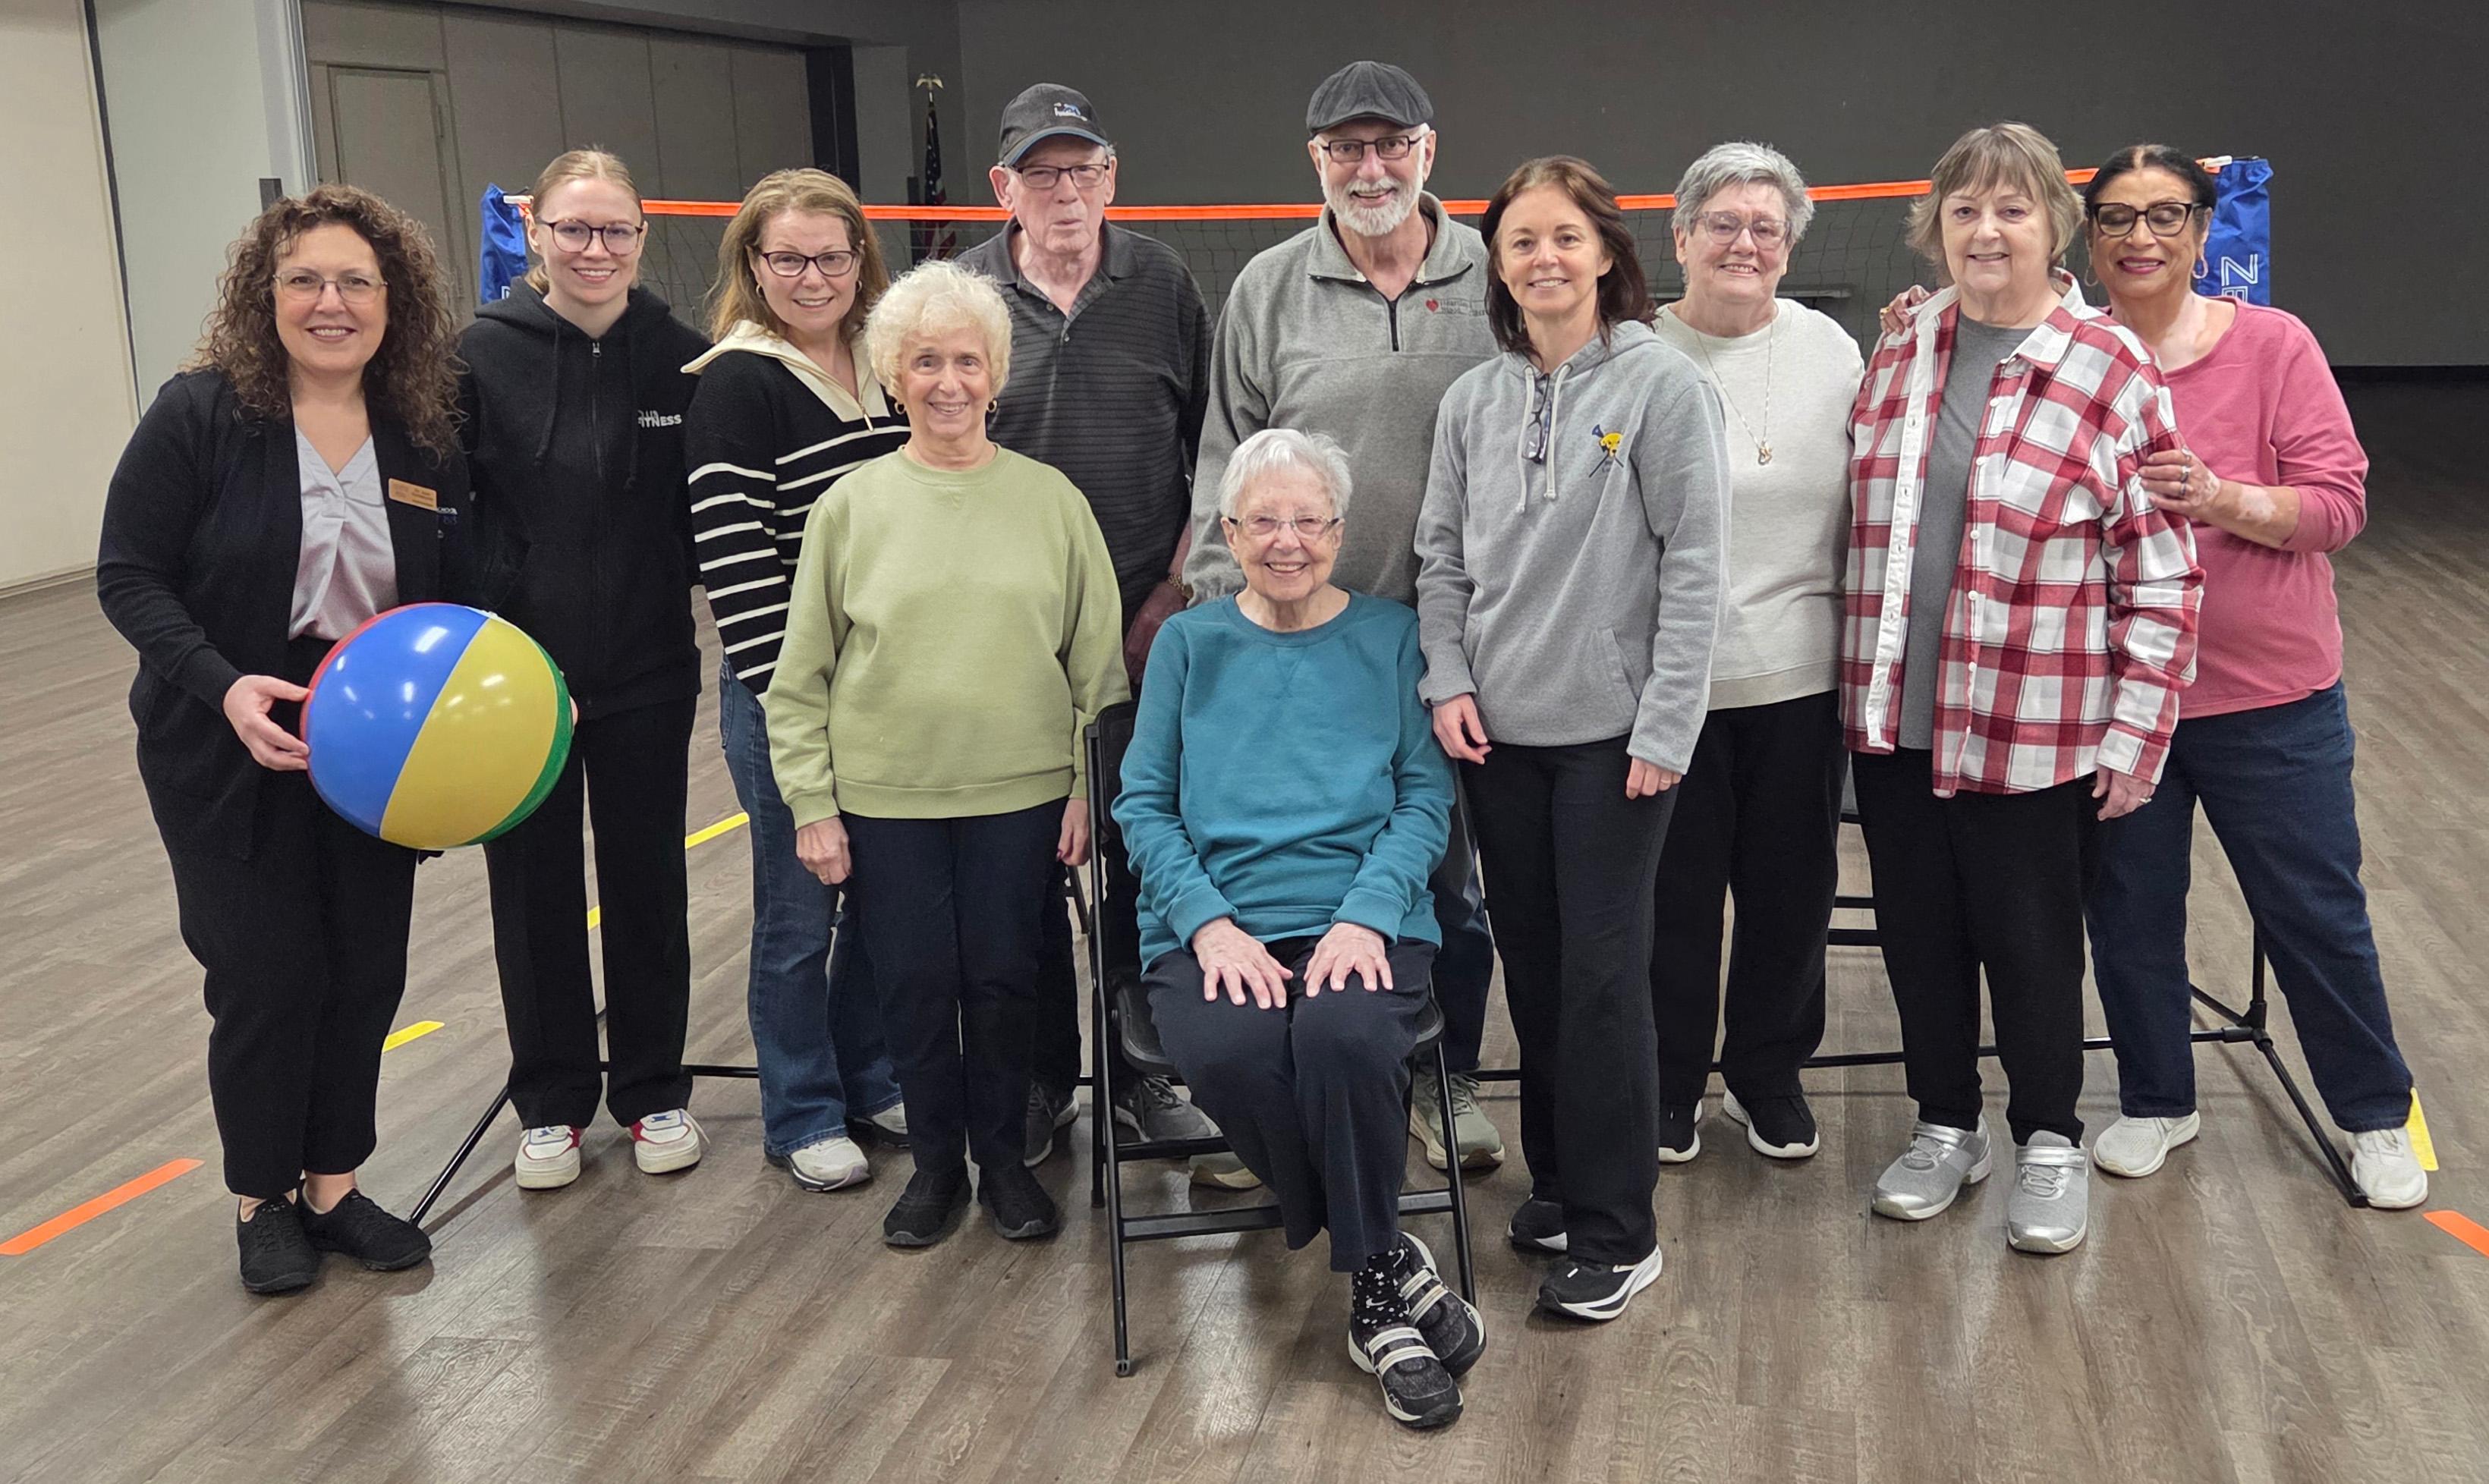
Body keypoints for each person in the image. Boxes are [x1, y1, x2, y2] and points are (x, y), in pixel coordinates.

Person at [97, 184, 462, 1293]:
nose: (331, 302)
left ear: (392, 299)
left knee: (364, 971)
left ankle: (334, 1188)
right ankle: (261, 1199)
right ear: (266, 297)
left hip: (372, 749)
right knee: (265, 975)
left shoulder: (424, 427)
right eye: (304, 279)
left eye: (356, 280)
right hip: (225, 742)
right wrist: (220, 688)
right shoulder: (202, 412)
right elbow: (130, 575)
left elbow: (458, 585)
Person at [1845, 123, 2200, 1256]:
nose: (1985, 230)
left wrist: (2137, 737)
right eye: (1963, 210)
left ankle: (2049, 1136)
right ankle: (1947, 1124)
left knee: (2035, 945)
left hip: (2034, 735)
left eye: (2011, 209)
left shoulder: (2110, 369)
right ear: (1935, 230)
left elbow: (2160, 571)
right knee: (1919, 939)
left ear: (2057, 230)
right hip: (1895, 727)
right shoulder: (1900, 349)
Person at [2073, 147, 2426, 1206]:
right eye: (2119, 218)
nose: (2142, 238)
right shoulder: (2067, 354)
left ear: (2202, 229)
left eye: (2167, 216)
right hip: (2115, 701)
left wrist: (2224, 498)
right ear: (2089, 236)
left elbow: (2339, 505)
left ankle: (2374, 1115)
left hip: (2272, 699)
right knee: (2130, 912)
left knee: (2314, 911)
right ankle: (2155, 1099)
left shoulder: (2275, 345)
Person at [1415, 156, 1729, 1322]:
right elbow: (1440, 560)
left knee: (1603, 981)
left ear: (1607, 251)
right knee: (1537, 970)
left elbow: (1697, 567)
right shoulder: (1473, 402)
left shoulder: (1661, 388)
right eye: (1519, 244)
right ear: (1497, 269)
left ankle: (1617, 1225)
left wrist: (1666, 724)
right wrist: (1447, 678)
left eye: (1563, 238)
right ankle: (1559, 1184)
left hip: (1616, 744)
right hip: (1500, 739)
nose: (1543, 259)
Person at [1119, 427, 1484, 1429]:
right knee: (1230, 1054)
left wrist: (1367, 915)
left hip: (1363, 915)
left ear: (1338, 530)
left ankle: (1371, 1297)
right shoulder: (1189, 644)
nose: (1287, 540)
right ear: (1228, 533)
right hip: (1215, 925)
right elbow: (1143, 805)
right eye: (1262, 521)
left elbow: (1422, 799)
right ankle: (1387, 1255)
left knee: (1344, 1037)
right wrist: (1209, 926)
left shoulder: (1390, 634)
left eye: (1308, 520)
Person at [1183, 59, 1504, 1173]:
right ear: (1314, 163)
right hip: (1305, 640)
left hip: (1462, 645)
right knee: (1291, 861)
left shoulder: (1492, 274)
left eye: (1391, 144)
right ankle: (1283, 1084)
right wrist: (1230, 625)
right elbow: (1226, 456)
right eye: (1344, 149)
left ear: (1428, 149)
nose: (1370, 167)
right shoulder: (1269, 289)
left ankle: (1443, 1078)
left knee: (1448, 883)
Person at [768, 259, 1128, 1247]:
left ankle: (1007, 1163)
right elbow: (800, 679)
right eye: (925, 361)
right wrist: (812, 804)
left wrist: (1081, 793)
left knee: (1009, 980)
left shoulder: (1051, 503)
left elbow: (1098, 671)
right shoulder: (850, 508)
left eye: (967, 360)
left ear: (995, 373)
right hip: (889, 802)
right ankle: (934, 1169)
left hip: (1022, 798)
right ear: (893, 374)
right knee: (916, 988)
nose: (948, 382)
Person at [955, 83, 1223, 1168]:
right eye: (1043, 173)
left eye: (1086, 171)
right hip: (1004, 649)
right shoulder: (959, 293)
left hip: (1146, 637)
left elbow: (1214, 449)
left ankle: (1143, 1074)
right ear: (1002, 187)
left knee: (1141, 855)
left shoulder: (1161, 283)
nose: (1066, 193)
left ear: (1112, 179)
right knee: (1021, 867)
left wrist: (1169, 594)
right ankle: (1036, 1083)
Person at [458, 149, 713, 1192]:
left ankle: (654, 1091)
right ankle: (551, 1103)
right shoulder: (477, 356)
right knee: (533, 892)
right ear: (539, 233)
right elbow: (455, 508)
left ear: (642, 238)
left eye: (614, 230)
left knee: (647, 883)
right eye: (573, 229)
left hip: (651, 669)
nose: (594, 249)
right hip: (520, 681)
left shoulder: (686, 360)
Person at [684, 168, 910, 1194]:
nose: (814, 276)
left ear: (862, 259)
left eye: (833, 255)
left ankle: (868, 1076)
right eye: (789, 258)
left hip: (893, 695)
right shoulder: (736, 381)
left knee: (874, 902)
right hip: (789, 697)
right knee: (796, 912)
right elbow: (738, 571)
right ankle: (802, 1110)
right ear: (752, 266)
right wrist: (799, 713)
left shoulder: (893, 362)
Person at [1647, 142, 1863, 1164]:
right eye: (1723, 224)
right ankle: (1670, 1082)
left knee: (1791, 894)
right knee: (1674, 903)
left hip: (1800, 680)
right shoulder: (1634, 355)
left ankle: (1767, 1073)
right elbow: (1607, 487)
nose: (1744, 241)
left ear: (1788, 246)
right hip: (1672, 690)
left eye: (1765, 227)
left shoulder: (1830, 350)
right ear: (1681, 237)